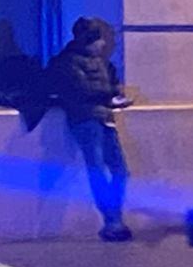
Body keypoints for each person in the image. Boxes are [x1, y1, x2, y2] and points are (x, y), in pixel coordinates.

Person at [49, 17, 132, 241]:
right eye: (98, 39)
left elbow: (110, 83)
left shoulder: (102, 62)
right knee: (97, 170)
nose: (103, 44)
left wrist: (115, 95)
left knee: (120, 171)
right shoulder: (68, 62)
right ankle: (112, 220)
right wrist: (108, 96)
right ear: (88, 40)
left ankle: (114, 217)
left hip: (104, 117)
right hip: (85, 119)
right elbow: (81, 89)